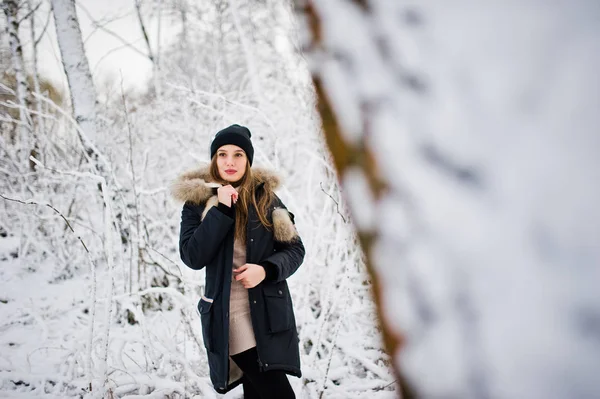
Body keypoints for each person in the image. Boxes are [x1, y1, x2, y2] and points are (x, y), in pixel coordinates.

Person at [171, 124, 305, 398]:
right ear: (214, 159)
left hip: (267, 316)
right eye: (222, 154)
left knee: (257, 392)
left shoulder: (266, 199)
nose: (229, 162)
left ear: (248, 160)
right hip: (229, 315)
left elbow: (295, 250)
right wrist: (221, 209)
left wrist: (266, 270)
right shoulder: (197, 202)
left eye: (238, 154)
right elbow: (193, 257)